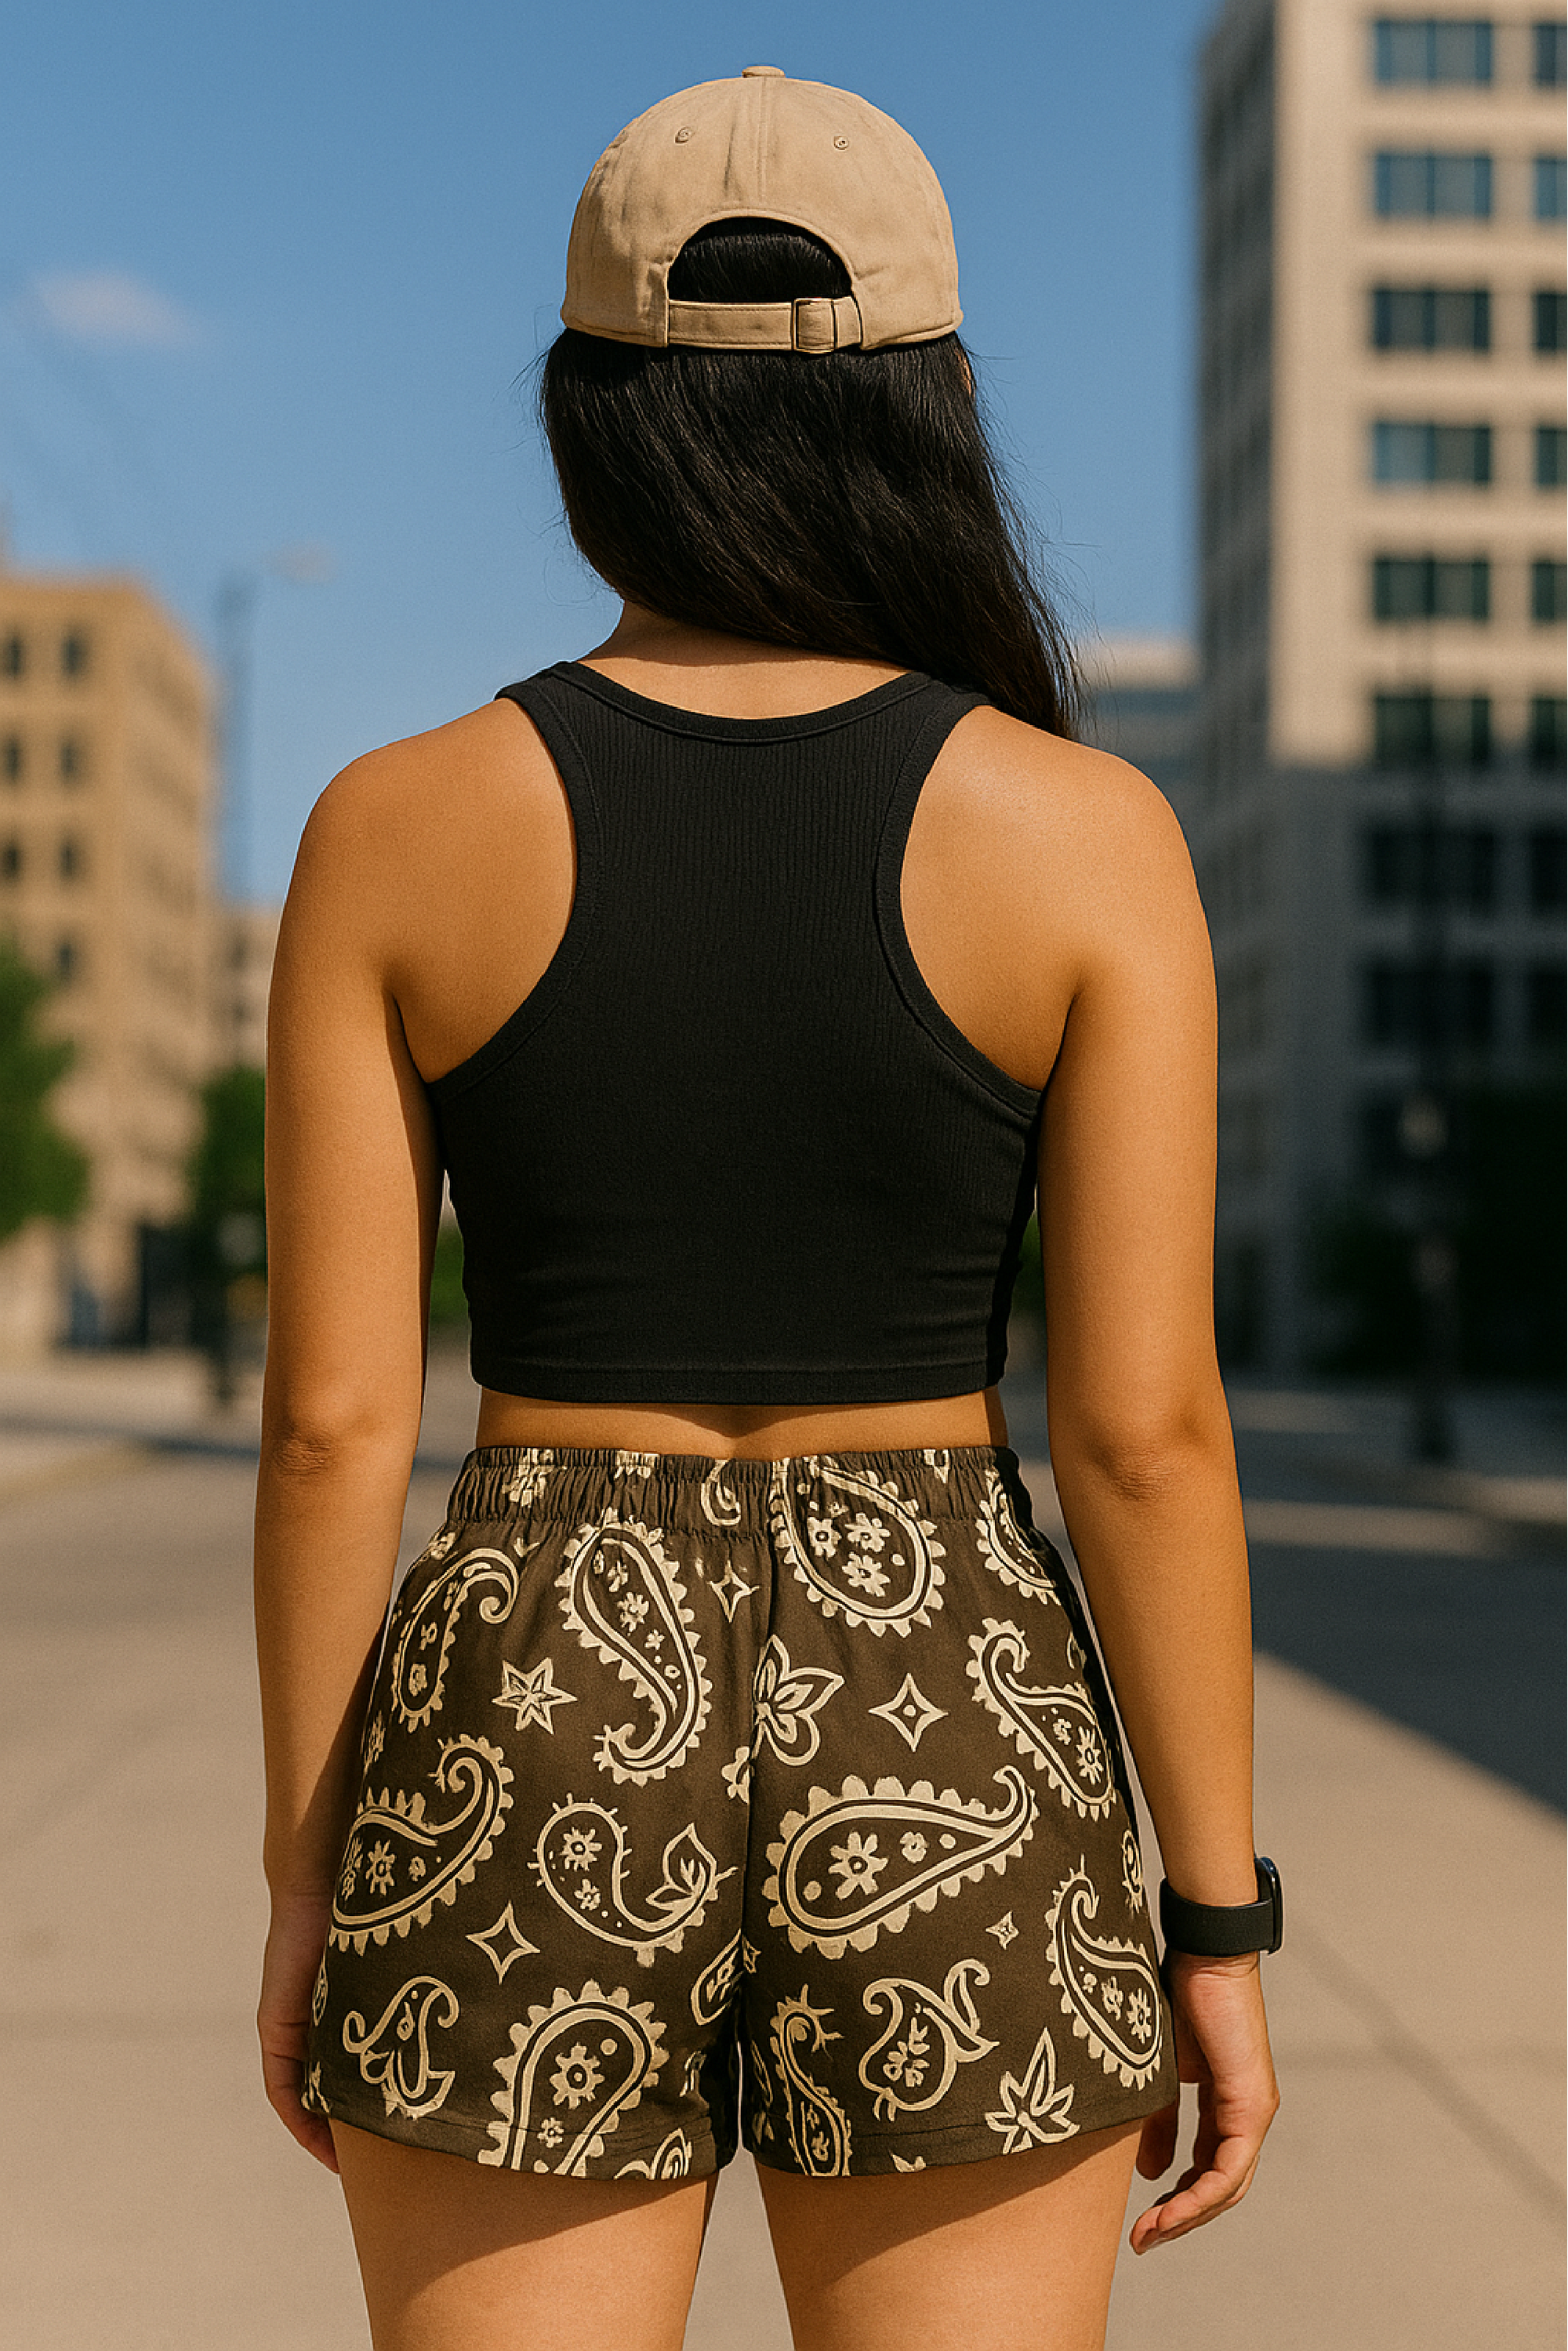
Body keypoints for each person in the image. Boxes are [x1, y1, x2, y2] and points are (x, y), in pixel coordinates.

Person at [254, 66, 1279, 2351]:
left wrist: (315, 1874)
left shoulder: (394, 823)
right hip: (955, 1681)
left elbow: (335, 1416)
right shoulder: (1086, 839)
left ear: (589, 414)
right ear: (935, 409)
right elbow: (1144, 1438)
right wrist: (1216, 1915)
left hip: (524, 1684)